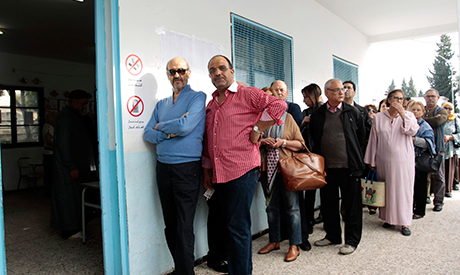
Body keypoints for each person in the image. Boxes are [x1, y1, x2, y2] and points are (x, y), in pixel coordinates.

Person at [202, 55, 287, 275]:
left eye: (222, 68)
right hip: (218, 174)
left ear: (232, 71)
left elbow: (279, 105)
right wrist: (207, 170)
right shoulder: (211, 104)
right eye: (212, 70)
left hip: (242, 170)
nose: (217, 73)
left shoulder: (247, 93)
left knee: (237, 228)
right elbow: (209, 140)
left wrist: (258, 129)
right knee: (228, 227)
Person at [143, 57, 206, 275]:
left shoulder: (197, 97)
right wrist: (168, 131)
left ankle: (186, 273)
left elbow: (187, 126)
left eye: (180, 70)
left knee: (184, 224)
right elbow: (148, 133)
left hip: (187, 169)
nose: (176, 75)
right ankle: (181, 269)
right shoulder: (161, 104)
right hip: (163, 168)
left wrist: (162, 127)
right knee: (170, 224)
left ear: (188, 72)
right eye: (171, 72)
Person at [310, 79, 366, 255]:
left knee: (352, 206)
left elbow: (362, 138)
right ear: (327, 93)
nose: (342, 92)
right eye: (337, 90)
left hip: (349, 167)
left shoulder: (353, 112)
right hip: (327, 167)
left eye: (343, 89)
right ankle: (332, 235)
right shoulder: (318, 114)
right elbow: (314, 138)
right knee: (328, 204)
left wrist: (359, 161)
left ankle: (351, 240)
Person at [257, 87, 304, 262]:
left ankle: (294, 245)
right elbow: (250, 140)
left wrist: (283, 142)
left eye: (271, 99)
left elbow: (301, 144)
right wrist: (262, 141)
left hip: (286, 169)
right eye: (265, 99)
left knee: (292, 209)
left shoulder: (288, 118)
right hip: (266, 170)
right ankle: (274, 240)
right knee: (271, 208)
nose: (268, 102)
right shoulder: (259, 119)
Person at [364, 89, 419, 236]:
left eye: (401, 99)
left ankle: (405, 222)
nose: (399, 101)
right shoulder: (379, 117)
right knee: (386, 189)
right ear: (388, 100)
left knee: (403, 190)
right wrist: (371, 159)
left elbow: (412, 131)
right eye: (396, 98)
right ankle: (389, 218)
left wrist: (402, 113)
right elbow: (374, 138)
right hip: (383, 159)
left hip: (403, 160)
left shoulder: (409, 115)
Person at [51, 89, 97, 240]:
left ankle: (76, 227)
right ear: (74, 102)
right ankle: (69, 230)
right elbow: (63, 144)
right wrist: (71, 166)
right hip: (68, 169)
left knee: (76, 198)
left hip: (77, 167)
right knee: (68, 199)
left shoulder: (75, 116)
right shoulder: (65, 117)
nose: (84, 106)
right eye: (83, 103)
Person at [299, 83, 324, 250]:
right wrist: (303, 123)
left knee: (325, 190)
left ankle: (325, 218)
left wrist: (312, 121)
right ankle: (308, 221)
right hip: (309, 155)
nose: (304, 100)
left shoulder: (323, 110)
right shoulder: (305, 113)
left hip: (323, 155)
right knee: (309, 190)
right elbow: (299, 135)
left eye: (306, 97)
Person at [408, 101, 435, 219]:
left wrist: (414, 140)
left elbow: (428, 143)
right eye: (413, 109)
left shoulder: (425, 126)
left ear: (423, 112)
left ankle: (419, 210)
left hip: (420, 161)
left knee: (420, 186)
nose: (415, 112)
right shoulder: (407, 123)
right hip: (408, 160)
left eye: (418, 110)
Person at [424, 88, 448, 212]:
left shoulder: (442, 111)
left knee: (439, 176)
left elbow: (439, 121)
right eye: (428, 96)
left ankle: (438, 201)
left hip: (438, 148)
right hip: (423, 148)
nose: (430, 98)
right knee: (422, 175)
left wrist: (422, 119)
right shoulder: (421, 109)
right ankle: (423, 198)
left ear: (438, 98)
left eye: (433, 96)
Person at [441, 102, 460, 198]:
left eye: (450, 108)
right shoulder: (440, 118)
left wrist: (451, 137)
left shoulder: (455, 120)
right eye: (446, 108)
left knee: (449, 170)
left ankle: (448, 190)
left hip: (450, 149)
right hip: (440, 148)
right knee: (439, 170)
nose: (448, 110)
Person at [43, 111, 57, 197]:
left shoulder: (51, 127)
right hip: (49, 153)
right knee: (49, 174)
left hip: (51, 153)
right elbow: (48, 140)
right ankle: (48, 193)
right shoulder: (48, 127)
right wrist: (57, 145)